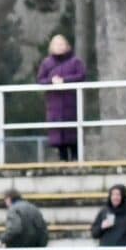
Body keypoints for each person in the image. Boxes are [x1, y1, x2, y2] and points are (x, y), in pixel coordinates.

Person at [36, 34, 87, 162]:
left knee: (74, 131)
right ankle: (62, 158)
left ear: (67, 46)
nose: (59, 47)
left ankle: (76, 158)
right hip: (55, 105)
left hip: (72, 103)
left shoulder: (75, 62)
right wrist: (52, 81)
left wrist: (65, 81)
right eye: (56, 44)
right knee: (58, 133)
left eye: (61, 44)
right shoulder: (47, 63)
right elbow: (40, 80)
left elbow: (81, 76)